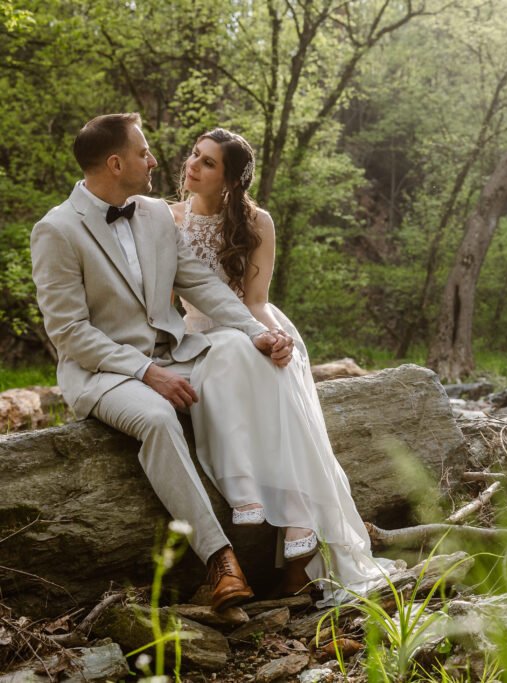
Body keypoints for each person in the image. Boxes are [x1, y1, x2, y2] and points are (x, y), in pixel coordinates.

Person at [30, 113, 296, 610]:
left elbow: (201, 283)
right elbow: (68, 332)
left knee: (242, 359)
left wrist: (257, 333)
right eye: (143, 152)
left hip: (174, 353)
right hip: (104, 373)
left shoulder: (153, 213)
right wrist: (146, 373)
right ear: (115, 163)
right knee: (157, 417)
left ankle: (288, 527)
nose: (154, 160)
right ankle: (220, 560)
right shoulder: (57, 230)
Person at [168, 128, 389, 603]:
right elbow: (163, 303)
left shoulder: (257, 222)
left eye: (207, 163)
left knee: (273, 366)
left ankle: (300, 537)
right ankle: (258, 498)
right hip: (195, 335)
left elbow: (256, 301)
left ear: (228, 181)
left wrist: (276, 338)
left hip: (247, 323)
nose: (192, 165)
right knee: (229, 354)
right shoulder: (166, 220)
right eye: (194, 155)